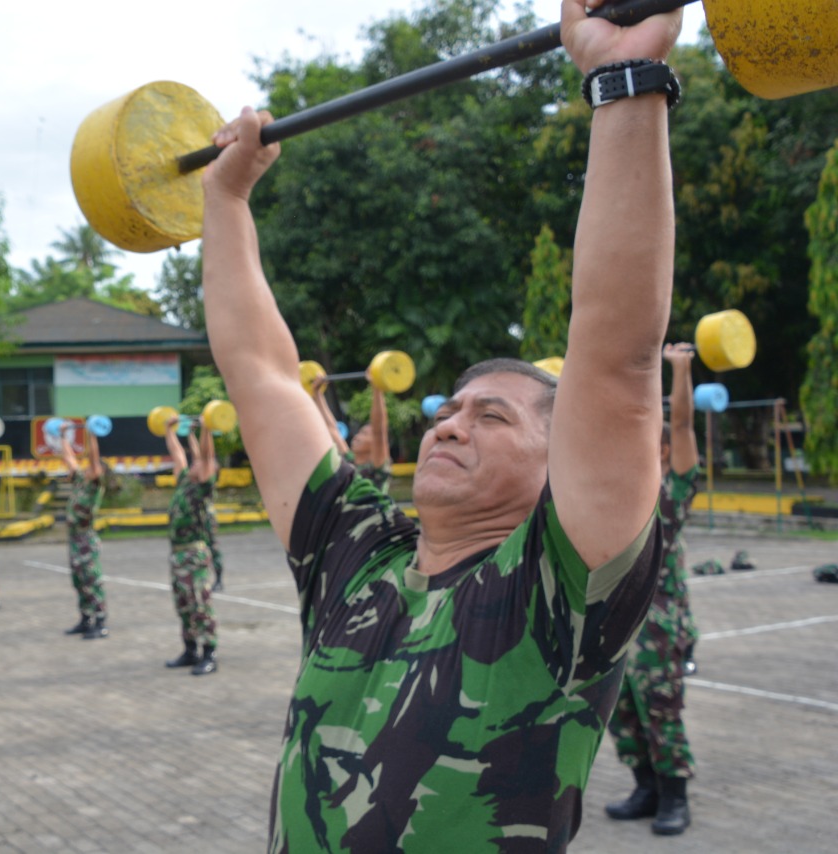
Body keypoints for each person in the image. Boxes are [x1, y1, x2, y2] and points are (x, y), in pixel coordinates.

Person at [197, 1, 680, 848]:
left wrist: (624, 80)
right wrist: (225, 198)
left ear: (556, 468)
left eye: (491, 416)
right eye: (450, 410)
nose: (450, 426)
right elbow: (263, 376)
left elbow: (616, 361)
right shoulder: (357, 557)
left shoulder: (555, 595)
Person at [604, 342, 701, 835]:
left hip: (661, 623)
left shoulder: (674, 491)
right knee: (620, 710)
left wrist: (679, 370)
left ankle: (674, 796)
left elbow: (681, 425)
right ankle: (644, 786)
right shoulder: (622, 489)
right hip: (618, 619)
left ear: (662, 450)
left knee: (660, 707)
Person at [163, 417, 220, 676]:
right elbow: (177, 453)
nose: (195, 462)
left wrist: (207, 427)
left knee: (200, 604)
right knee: (183, 605)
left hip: (195, 554)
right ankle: (190, 649)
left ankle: (210, 652)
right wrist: (170, 431)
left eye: (201, 463)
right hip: (177, 555)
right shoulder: (185, 480)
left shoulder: (202, 489)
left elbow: (206, 456)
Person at [59, 422, 108, 639]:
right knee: (78, 580)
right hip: (75, 539)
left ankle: (100, 621)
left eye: (92, 467)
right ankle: (85, 618)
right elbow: (69, 458)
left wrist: (91, 436)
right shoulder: (80, 480)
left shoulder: (95, 484)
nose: (87, 468)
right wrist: (62, 437)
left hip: (87, 540)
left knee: (92, 580)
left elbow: (93, 458)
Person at [311, 373, 393, 493]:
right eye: (359, 433)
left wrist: (377, 389)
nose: (357, 437)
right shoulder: (348, 461)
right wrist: (317, 394)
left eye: (365, 434)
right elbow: (332, 429)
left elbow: (379, 431)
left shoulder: (377, 467)